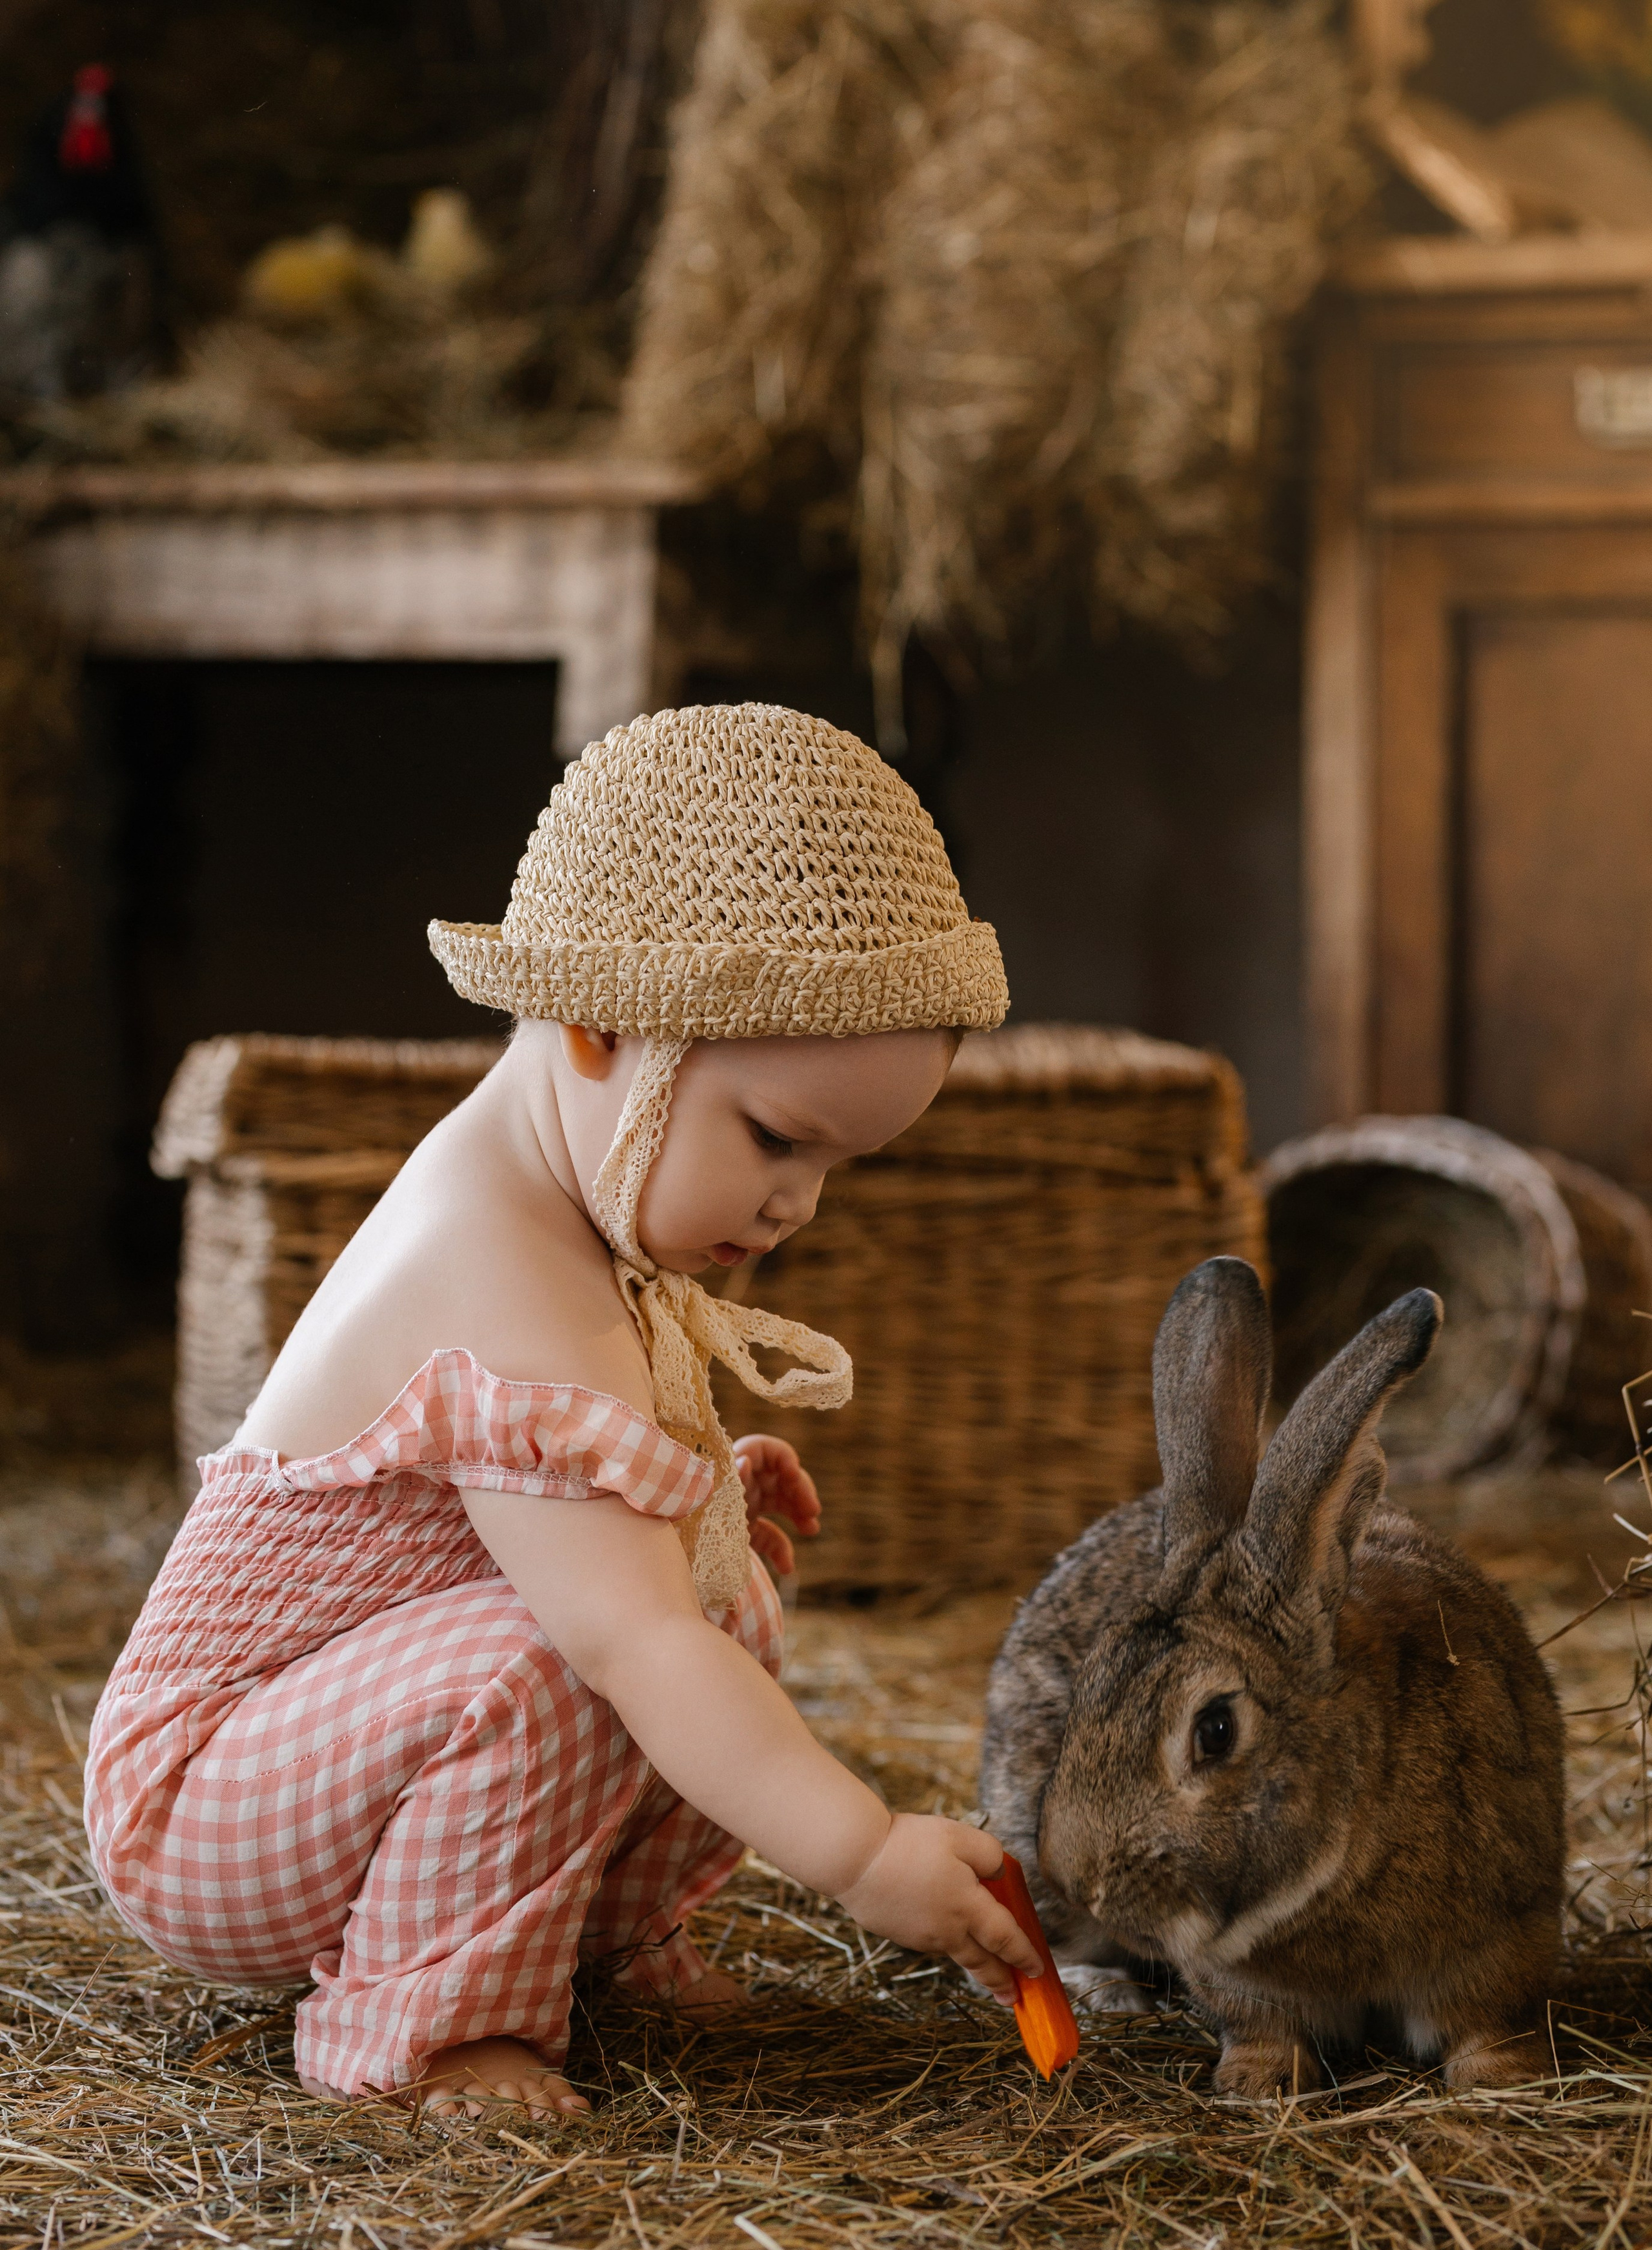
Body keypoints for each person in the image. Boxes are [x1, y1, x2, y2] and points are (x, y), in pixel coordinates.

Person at [85, 703, 1040, 2121]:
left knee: (723, 1601)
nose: (795, 1205)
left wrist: (693, 1494)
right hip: (204, 1797)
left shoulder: (560, 1204)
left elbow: (522, 1532)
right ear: (599, 1027)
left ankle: (591, 1941)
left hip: (335, 1735)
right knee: (582, 1654)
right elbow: (615, 1632)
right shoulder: (494, 1255)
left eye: (835, 1166)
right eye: (776, 1140)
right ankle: (422, 2032)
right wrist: (860, 1851)